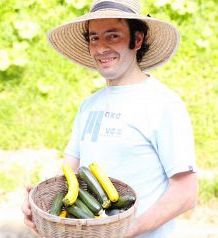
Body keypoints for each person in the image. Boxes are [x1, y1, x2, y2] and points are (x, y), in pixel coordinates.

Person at [22, 0, 197, 237]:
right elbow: (68, 173)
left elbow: (186, 194)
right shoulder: (89, 105)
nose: (101, 47)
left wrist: (124, 230)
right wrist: (38, 204)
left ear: (137, 40)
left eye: (112, 36)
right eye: (94, 38)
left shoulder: (164, 104)